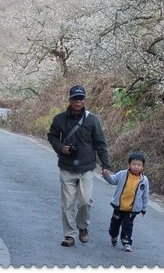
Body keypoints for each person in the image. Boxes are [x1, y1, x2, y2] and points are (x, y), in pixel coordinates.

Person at [47, 84, 111, 247]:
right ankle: (69, 235)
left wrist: (105, 164)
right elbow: (52, 136)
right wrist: (61, 148)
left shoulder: (92, 119)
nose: (78, 102)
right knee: (67, 203)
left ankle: (83, 227)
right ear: (69, 100)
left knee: (85, 201)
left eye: (81, 98)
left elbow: (100, 143)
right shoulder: (60, 119)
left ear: (85, 100)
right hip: (67, 168)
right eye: (75, 98)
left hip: (86, 168)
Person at [102, 151, 150, 252]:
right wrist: (107, 176)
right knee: (114, 225)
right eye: (134, 164)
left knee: (127, 226)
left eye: (139, 165)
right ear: (129, 164)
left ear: (143, 167)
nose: (136, 167)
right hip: (119, 206)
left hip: (132, 209)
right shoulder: (122, 174)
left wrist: (144, 208)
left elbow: (145, 196)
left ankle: (126, 242)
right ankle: (113, 236)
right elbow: (112, 180)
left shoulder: (144, 180)